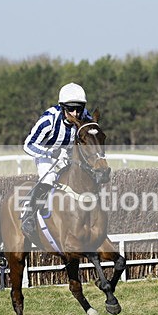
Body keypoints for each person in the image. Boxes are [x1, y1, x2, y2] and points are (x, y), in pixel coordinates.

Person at [20, 82, 92, 236]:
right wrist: (50, 154)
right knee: (49, 179)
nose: (76, 113)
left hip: (69, 155)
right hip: (46, 155)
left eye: (79, 109)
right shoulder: (49, 120)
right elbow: (28, 145)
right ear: (62, 107)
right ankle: (29, 215)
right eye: (71, 109)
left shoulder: (86, 117)